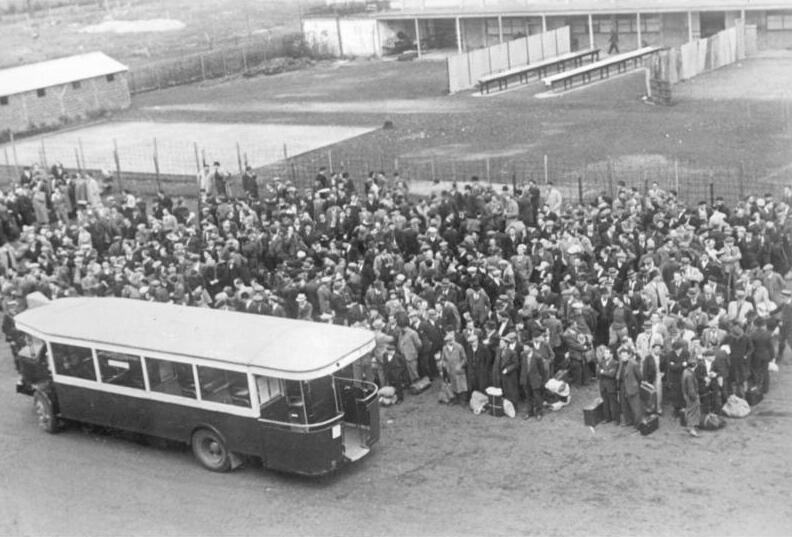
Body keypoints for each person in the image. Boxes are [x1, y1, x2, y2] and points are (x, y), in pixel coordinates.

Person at [519, 336, 547, 420]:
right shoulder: (523, 355)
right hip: (526, 380)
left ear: (531, 348)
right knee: (528, 397)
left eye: (525, 348)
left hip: (535, 380)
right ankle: (529, 412)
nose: (524, 349)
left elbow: (542, 370)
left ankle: (539, 413)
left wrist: (542, 380)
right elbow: (522, 367)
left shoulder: (538, 357)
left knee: (537, 397)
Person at [616, 345, 643, 428]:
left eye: (625, 355)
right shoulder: (620, 362)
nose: (623, 357)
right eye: (622, 355)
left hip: (632, 388)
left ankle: (637, 424)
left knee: (635, 407)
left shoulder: (634, 364)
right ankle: (628, 421)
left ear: (629, 355)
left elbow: (640, 377)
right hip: (622, 387)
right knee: (624, 406)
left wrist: (634, 385)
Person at [440, 332, 468, 406]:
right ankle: (455, 399)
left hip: (459, 370)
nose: (450, 342)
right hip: (450, 370)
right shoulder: (444, 348)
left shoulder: (459, 347)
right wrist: (444, 366)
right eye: (448, 341)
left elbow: (464, 358)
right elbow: (443, 359)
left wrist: (460, 365)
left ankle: (463, 400)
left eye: (452, 340)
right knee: (453, 385)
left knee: (461, 385)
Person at [597, 345, 620, 424]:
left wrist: (603, 372)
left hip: (611, 386)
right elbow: (598, 373)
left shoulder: (615, 363)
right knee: (605, 403)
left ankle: (616, 419)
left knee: (613, 403)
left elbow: (612, 374)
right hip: (603, 386)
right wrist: (606, 372)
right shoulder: (601, 362)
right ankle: (607, 418)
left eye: (607, 353)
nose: (605, 355)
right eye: (604, 353)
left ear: (611, 355)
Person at [681, 358, 700, 437]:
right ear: (694, 365)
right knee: (693, 412)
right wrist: (695, 397)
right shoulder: (690, 375)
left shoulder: (685, 371)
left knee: (689, 411)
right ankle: (692, 429)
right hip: (691, 396)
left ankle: (689, 427)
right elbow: (691, 388)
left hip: (686, 395)